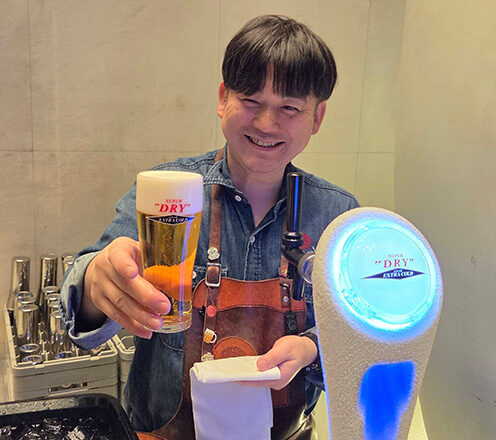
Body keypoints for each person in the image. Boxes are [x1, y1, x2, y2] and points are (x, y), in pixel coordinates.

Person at [60, 15, 358, 440]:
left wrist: (312, 348)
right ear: (223, 99)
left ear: (317, 117)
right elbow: (80, 322)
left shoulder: (338, 216)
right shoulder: (167, 192)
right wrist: (96, 283)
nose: (266, 124)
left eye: (289, 108)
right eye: (250, 100)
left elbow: (358, 342)